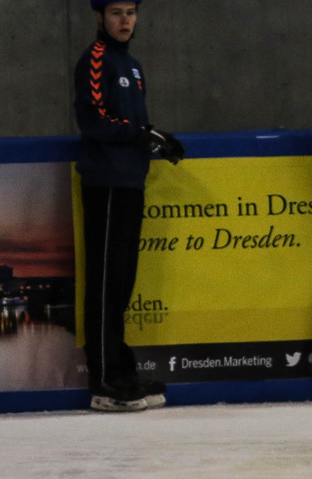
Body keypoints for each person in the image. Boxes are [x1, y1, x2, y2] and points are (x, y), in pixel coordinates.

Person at [74, 0, 185, 412]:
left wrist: (156, 138)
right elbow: (93, 120)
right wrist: (137, 135)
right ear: (100, 16)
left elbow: (132, 124)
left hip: (129, 182)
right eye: (116, 12)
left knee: (121, 281)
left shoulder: (132, 65)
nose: (124, 20)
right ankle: (104, 380)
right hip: (105, 183)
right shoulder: (96, 59)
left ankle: (119, 368)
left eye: (131, 12)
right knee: (105, 282)